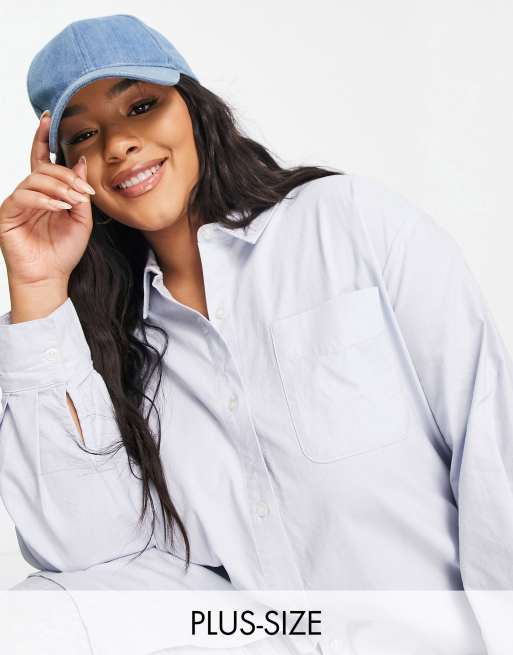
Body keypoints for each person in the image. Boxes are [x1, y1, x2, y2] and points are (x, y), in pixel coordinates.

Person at [0, 12, 512, 652]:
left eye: (142, 106)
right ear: (66, 172)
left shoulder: (349, 225)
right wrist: (39, 287)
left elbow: (491, 446)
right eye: (83, 135)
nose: (119, 145)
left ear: (194, 108)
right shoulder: (112, 345)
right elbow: (88, 562)